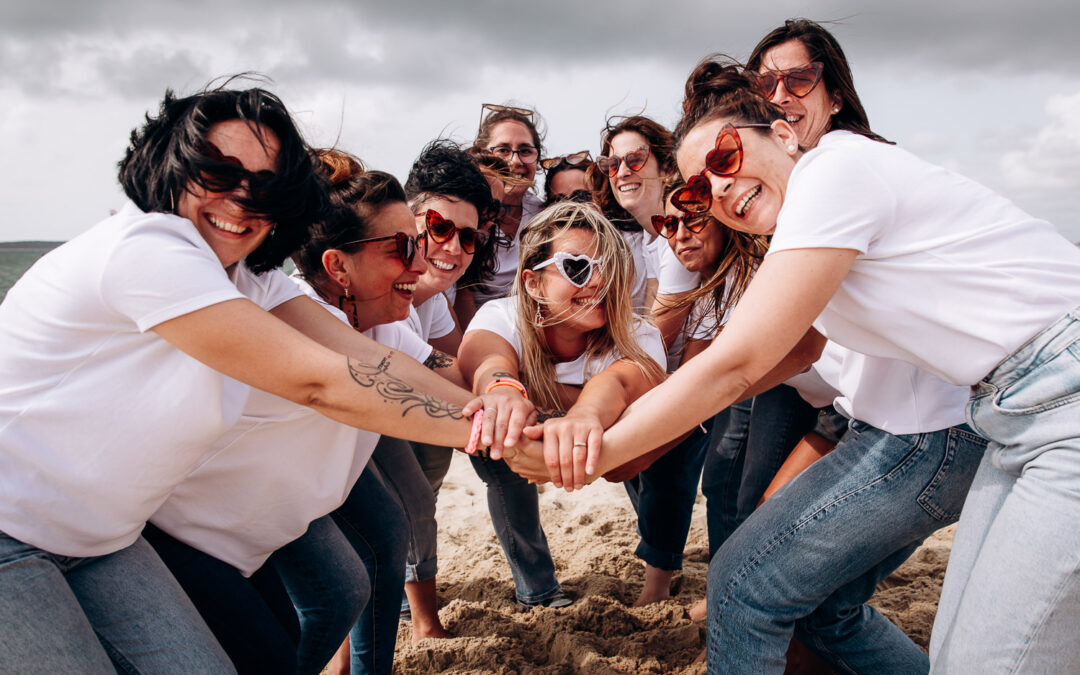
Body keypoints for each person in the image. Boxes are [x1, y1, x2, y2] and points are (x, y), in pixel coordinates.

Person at [507, 47, 1079, 671]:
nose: (718, 188)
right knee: (919, 645)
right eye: (699, 188)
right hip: (1001, 411)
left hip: (1051, 391)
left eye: (725, 157)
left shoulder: (833, 171)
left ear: (784, 135)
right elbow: (792, 351)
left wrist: (595, 452)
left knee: (747, 584)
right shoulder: (804, 226)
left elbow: (738, 363)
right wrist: (611, 430)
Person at [0, 85, 502, 673]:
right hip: (13, 525)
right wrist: (497, 437)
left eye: (267, 186)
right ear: (171, 164)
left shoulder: (248, 277)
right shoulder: (146, 248)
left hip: (107, 540)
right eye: (219, 172)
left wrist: (503, 402)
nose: (242, 198)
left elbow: (373, 361)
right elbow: (323, 382)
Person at [458, 200, 668, 608]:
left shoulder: (636, 333)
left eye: (610, 268)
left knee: (648, 461)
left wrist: (583, 412)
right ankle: (537, 589)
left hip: (613, 441)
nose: (599, 281)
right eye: (577, 267)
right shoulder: (503, 315)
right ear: (533, 283)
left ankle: (659, 567)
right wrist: (504, 390)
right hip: (526, 439)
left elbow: (625, 381)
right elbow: (486, 361)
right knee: (499, 447)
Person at [469, 103, 546, 307]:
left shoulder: (544, 216)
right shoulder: (468, 211)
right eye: (503, 150)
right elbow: (459, 290)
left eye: (525, 151)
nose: (515, 161)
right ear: (482, 154)